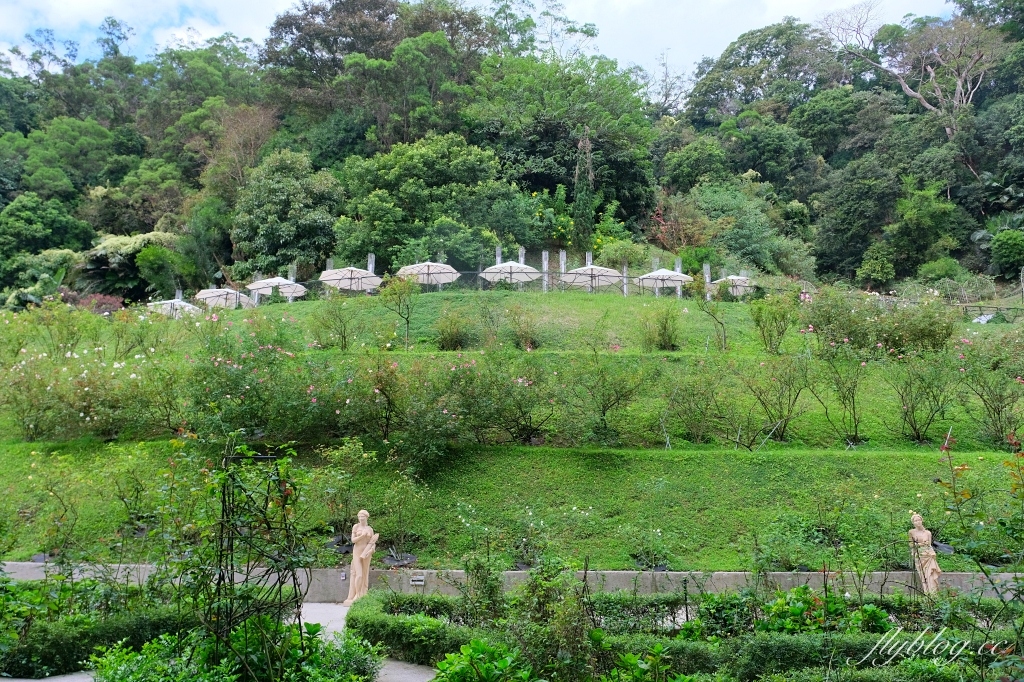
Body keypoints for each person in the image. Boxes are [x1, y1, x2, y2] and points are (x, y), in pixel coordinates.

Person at [343, 510, 378, 606]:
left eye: (363, 516)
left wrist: (371, 551)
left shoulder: (370, 529)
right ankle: (356, 594)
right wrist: (362, 536)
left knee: (365, 573)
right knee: (359, 574)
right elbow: (353, 540)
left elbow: (372, 543)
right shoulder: (356, 526)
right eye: (359, 517)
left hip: (366, 552)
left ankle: (363, 594)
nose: (361, 518)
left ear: (366, 517)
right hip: (357, 551)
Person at [909, 513, 941, 594]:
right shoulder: (911, 532)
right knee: (923, 576)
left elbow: (929, 545)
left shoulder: (928, 533)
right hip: (919, 555)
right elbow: (911, 545)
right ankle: (927, 593)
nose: (918, 522)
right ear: (913, 522)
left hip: (928, 555)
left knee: (931, 574)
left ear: (922, 520)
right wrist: (920, 544)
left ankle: (934, 593)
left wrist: (932, 552)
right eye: (916, 521)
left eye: (919, 520)